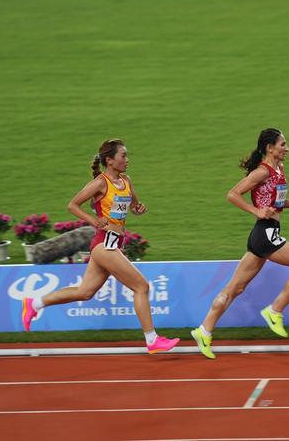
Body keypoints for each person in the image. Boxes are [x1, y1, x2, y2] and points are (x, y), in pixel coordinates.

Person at [21, 139, 180, 354]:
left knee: (85, 292)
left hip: (112, 243)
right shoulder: (100, 183)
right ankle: (152, 339)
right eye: (123, 155)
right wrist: (93, 220)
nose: (127, 159)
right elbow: (72, 205)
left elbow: (133, 205)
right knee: (142, 287)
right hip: (104, 244)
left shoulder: (126, 181)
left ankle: (35, 303)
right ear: (109, 160)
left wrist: (138, 208)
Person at [190, 128, 289, 359]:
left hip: (264, 233)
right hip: (265, 233)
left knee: (235, 288)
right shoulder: (262, 172)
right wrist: (256, 211)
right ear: (270, 148)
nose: (287, 148)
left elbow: (277, 202)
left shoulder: (279, 170)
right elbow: (233, 194)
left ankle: (204, 330)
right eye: (283, 144)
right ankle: (274, 310)